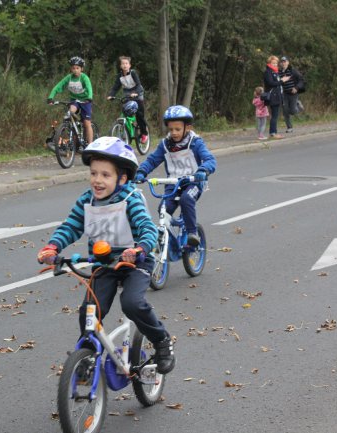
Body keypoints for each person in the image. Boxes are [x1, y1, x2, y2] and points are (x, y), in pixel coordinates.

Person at [36, 136, 175, 374]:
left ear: (122, 178)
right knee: (90, 309)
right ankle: (87, 354)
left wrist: (139, 249)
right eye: (93, 173)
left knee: (132, 303)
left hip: (135, 263)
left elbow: (147, 228)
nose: (97, 180)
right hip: (104, 264)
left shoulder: (131, 199)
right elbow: (71, 226)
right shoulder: (87, 201)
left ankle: (162, 341)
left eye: (105, 175)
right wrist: (53, 247)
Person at [134, 105, 216, 247]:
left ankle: (192, 233)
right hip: (173, 183)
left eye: (178, 129)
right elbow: (152, 160)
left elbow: (210, 160)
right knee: (163, 209)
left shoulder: (196, 143)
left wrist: (203, 170)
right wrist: (142, 171)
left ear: (187, 128)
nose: (174, 133)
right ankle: (170, 241)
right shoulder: (165, 145)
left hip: (193, 182)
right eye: (171, 129)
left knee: (186, 199)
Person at [47, 56, 94, 144]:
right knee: (70, 113)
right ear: (71, 69)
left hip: (85, 101)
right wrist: (50, 97)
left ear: (81, 69)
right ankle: (73, 139)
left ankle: (91, 144)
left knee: (87, 123)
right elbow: (58, 87)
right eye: (73, 68)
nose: (75, 70)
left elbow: (89, 88)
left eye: (77, 68)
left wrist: (89, 97)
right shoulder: (69, 78)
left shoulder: (84, 78)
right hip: (75, 100)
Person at [106, 56, 149, 144]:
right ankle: (128, 127)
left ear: (129, 65)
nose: (125, 65)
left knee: (139, 114)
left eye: (126, 63)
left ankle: (144, 133)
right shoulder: (119, 76)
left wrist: (136, 93)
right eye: (123, 64)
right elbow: (115, 87)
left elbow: (138, 84)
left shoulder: (133, 73)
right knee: (125, 110)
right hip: (128, 94)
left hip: (138, 93)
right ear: (120, 66)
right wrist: (111, 95)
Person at [263, 55, 291, 139]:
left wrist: (282, 80)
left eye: (276, 63)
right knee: (274, 115)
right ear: (269, 63)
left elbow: (277, 83)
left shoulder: (275, 71)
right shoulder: (268, 72)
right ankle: (273, 133)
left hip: (277, 96)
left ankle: (273, 132)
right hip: (273, 96)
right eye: (273, 63)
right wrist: (282, 81)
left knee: (275, 115)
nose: (275, 64)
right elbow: (271, 83)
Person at [279, 56, 305, 133]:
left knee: (292, 111)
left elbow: (301, 80)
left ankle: (298, 105)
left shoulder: (293, 71)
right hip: (284, 94)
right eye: (282, 62)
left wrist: (296, 88)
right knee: (285, 110)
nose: (283, 63)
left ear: (288, 62)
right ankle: (289, 127)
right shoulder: (279, 72)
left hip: (293, 93)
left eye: (285, 61)